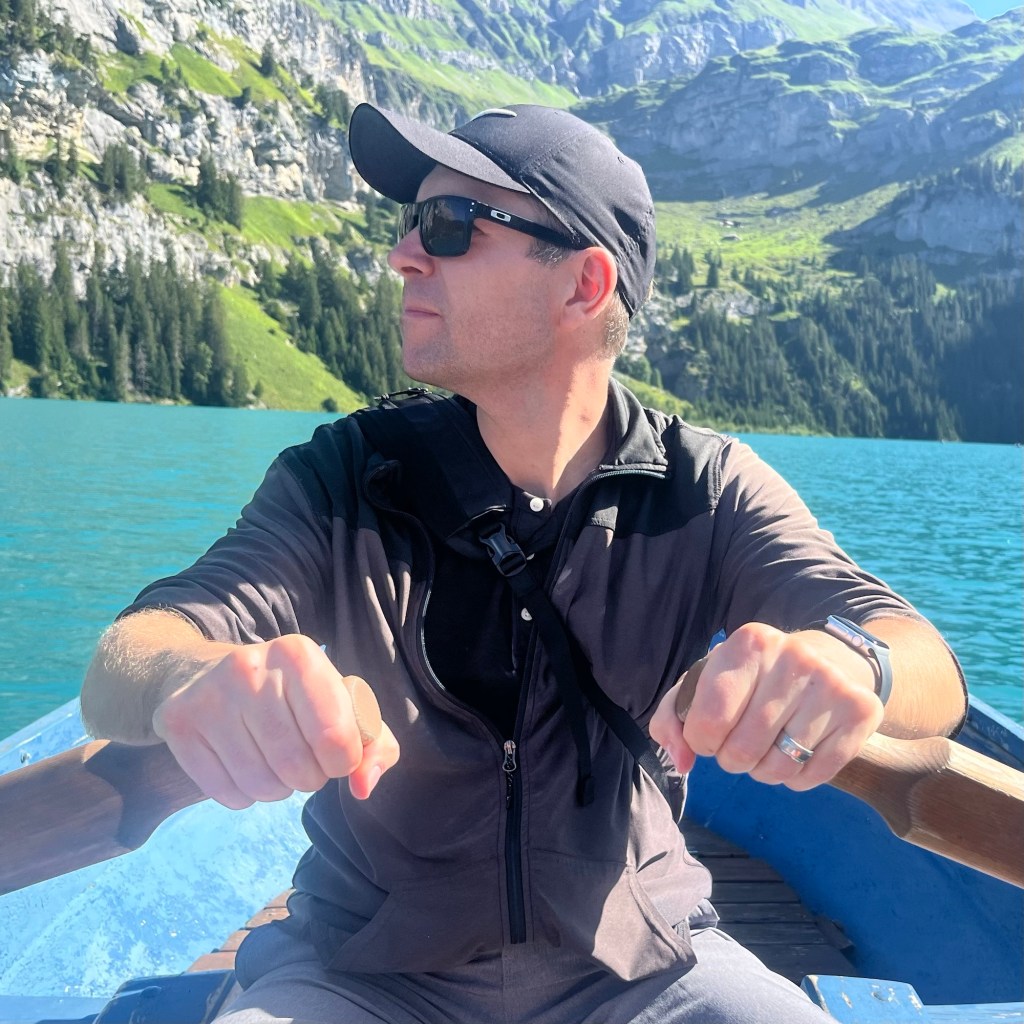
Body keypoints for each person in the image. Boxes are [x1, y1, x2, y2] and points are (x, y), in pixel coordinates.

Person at [80, 102, 967, 1024]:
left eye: (449, 225)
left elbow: (925, 664)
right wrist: (193, 679)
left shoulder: (706, 487)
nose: (403, 255)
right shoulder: (344, 477)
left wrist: (850, 662)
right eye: (410, 223)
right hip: (360, 975)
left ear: (585, 284)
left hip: (645, 968)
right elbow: (127, 657)